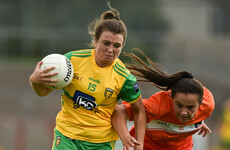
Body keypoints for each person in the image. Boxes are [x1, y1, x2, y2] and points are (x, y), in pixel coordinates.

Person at [29, 3, 146, 150]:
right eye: (106, 43)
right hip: (67, 136)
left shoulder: (124, 78)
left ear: (122, 45)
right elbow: (43, 92)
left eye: (117, 46)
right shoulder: (72, 61)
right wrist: (34, 81)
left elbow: (139, 111)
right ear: (96, 41)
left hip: (100, 142)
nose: (111, 50)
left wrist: (140, 144)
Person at [111, 50, 215, 150]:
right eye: (179, 105)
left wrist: (198, 121)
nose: (184, 112)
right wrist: (125, 137)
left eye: (190, 107)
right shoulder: (158, 106)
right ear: (171, 98)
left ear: (200, 104)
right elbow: (118, 112)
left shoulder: (207, 105)